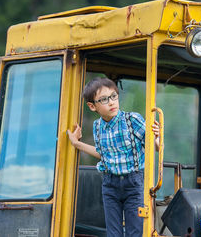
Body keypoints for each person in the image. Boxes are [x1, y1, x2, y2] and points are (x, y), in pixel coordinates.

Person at [67, 77, 159, 237]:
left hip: (134, 183)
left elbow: (154, 147)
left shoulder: (132, 120)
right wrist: (77, 144)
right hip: (110, 184)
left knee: (135, 232)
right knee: (113, 233)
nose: (111, 102)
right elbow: (104, 154)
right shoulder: (97, 126)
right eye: (104, 99)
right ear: (92, 106)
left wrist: (157, 136)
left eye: (113, 96)